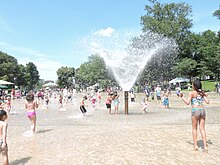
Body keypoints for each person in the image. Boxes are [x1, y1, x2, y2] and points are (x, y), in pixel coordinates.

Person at [180, 78, 209, 152]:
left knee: (194, 128)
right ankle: (205, 147)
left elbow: (187, 102)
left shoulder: (192, 93)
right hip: (202, 110)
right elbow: (207, 102)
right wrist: (205, 95)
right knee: (202, 129)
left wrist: (182, 97)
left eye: (192, 84)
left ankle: (196, 146)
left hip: (195, 110)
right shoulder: (202, 93)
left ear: (194, 86)